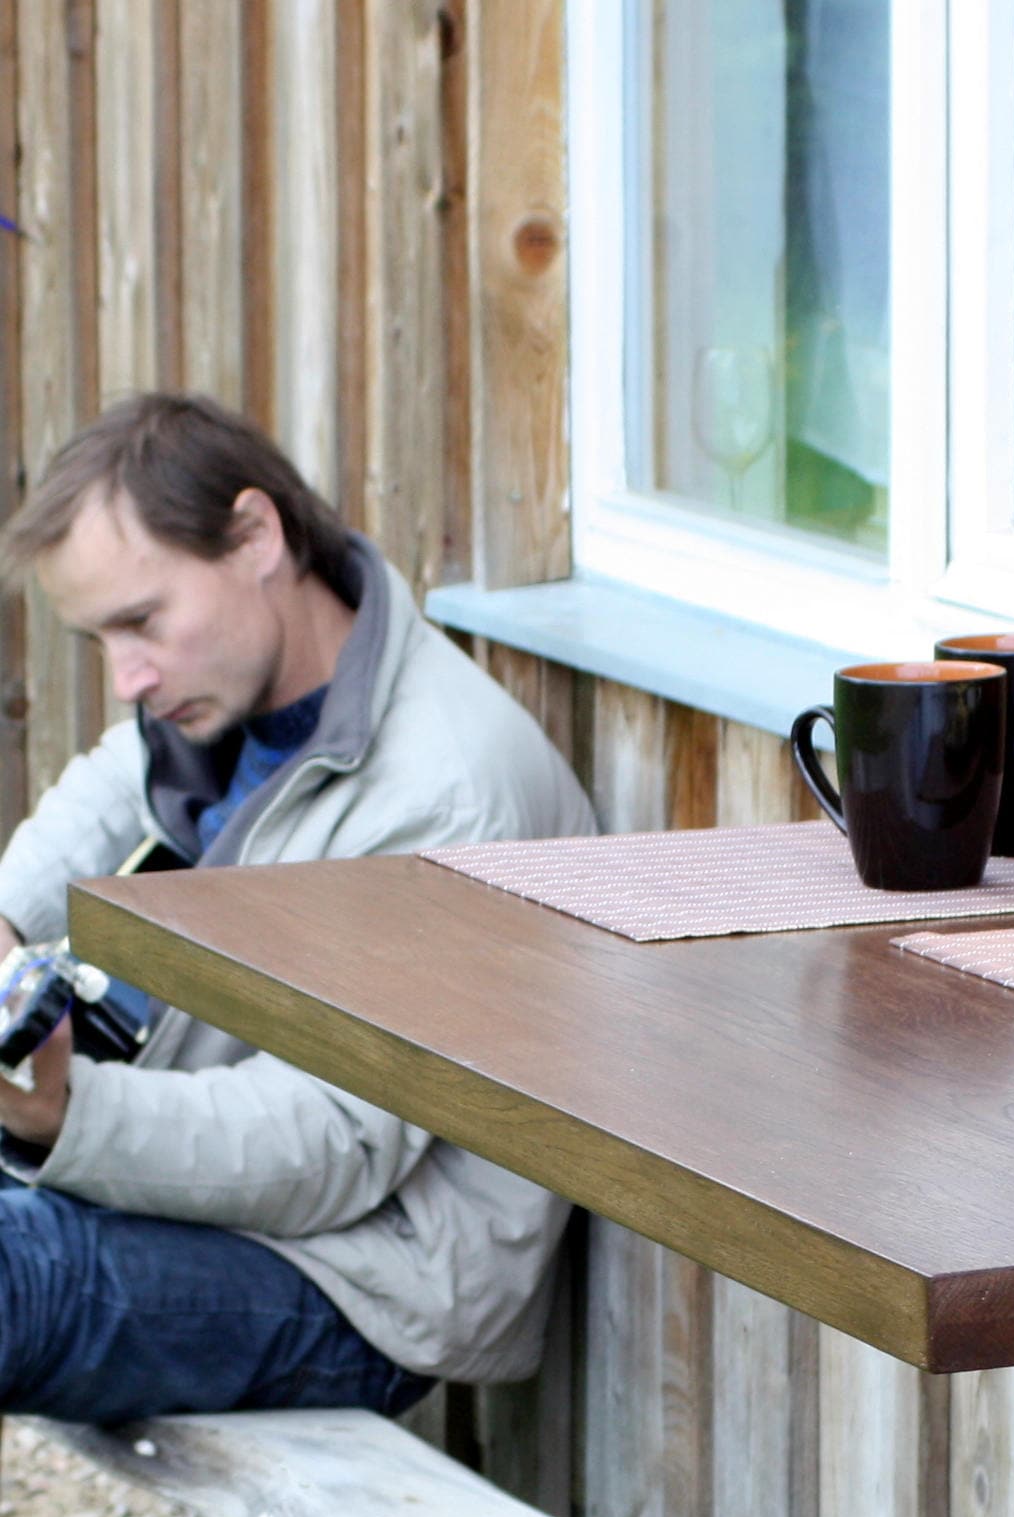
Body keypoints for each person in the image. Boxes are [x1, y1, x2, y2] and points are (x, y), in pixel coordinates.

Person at [0, 391, 595, 1423]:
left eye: (141, 621)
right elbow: (31, 885)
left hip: (363, 1278)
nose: (127, 678)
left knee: (20, 1277)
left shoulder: (445, 795)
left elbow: (334, 1145)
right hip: (193, 1188)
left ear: (256, 535)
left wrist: (62, 1114)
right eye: (100, 638)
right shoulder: (202, 702)